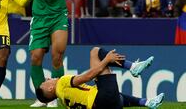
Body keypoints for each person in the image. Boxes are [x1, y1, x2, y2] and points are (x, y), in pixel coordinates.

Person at [6, 0, 75, 107]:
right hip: (39, 19)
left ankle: (56, 95)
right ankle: (42, 97)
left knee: (57, 56)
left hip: (58, 17)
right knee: (36, 57)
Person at [35, 47, 164, 109]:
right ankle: (133, 67)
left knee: (117, 96)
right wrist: (107, 60)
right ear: (51, 88)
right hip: (102, 99)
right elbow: (87, 76)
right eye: (45, 82)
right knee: (95, 52)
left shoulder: (63, 102)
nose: (47, 78)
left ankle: (148, 103)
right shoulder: (62, 83)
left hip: (103, 105)